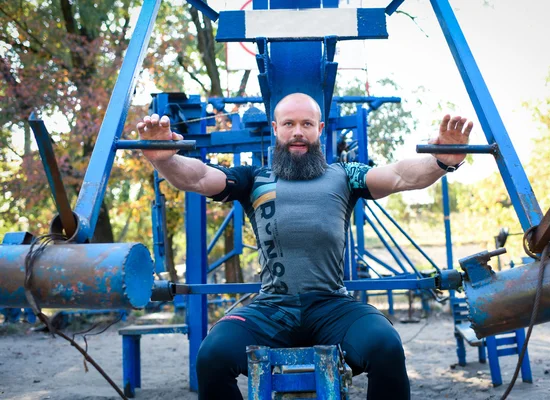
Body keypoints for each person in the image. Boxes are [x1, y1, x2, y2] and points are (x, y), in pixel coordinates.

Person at [137, 93, 472, 400]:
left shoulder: (345, 176)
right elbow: (198, 177)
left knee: (386, 346)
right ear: (275, 129)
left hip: (332, 307)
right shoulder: (254, 179)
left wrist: (441, 161)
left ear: (320, 129)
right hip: (271, 309)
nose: (298, 132)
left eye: (307, 124)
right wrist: (165, 161)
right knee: (211, 356)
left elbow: (400, 175)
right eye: (289, 124)